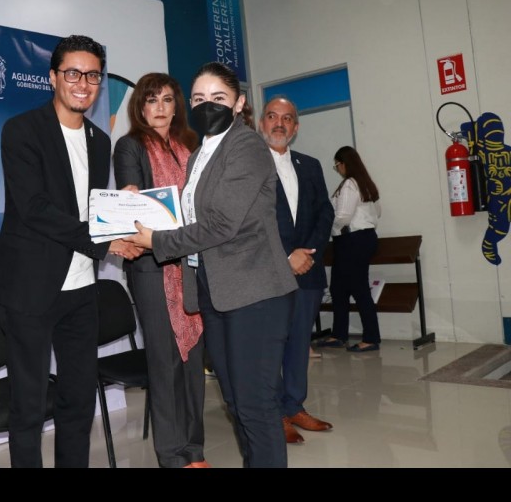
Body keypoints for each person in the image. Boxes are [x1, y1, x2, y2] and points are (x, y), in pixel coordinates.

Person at [126, 61, 297, 468]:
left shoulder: (246, 146)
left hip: (255, 293)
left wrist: (156, 241)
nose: (208, 105)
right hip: (216, 293)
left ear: (238, 103)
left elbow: (221, 224)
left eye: (218, 98)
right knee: (236, 402)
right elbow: (191, 217)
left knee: (256, 406)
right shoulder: (200, 153)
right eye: (200, 98)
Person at [0, 34, 143, 468]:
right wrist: (105, 240)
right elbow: (34, 208)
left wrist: (122, 212)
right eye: (73, 73)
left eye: (92, 75)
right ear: (53, 77)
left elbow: (89, 209)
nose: (83, 83)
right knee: (29, 404)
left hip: (81, 289)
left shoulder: (99, 139)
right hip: (29, 289)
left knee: (78, 399)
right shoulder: (22, 130)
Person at [113, 72, 208, 468]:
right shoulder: (130, 145)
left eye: (167, 100)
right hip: (152, 268)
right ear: (140, 106)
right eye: (151, 100)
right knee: (165, 363)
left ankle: (194, 449)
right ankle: (171, 455)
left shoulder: (191, 145)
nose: (160, 108)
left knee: (194, 361)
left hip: (193, 263)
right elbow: (135, 205)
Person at [259, 96, 334, 445]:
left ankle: (294, 406)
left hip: (308, 270)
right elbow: (252, 220)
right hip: (267, 270)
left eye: (287, 118)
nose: (279, 123)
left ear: (296, 127)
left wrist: (307, 254)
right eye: (272, 116)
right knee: (270, 345)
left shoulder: (311, 165)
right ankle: (274, 414)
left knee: (300, 342)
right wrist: (286, 255)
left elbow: (325, 213)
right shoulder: (250, 165)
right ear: (262, 123)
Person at [317, 145, 382, 352]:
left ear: (344, 163)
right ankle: (338, 334)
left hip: (352, 240)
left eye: (337, 165)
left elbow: (343, 217)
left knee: (358, 288)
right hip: (361, 239)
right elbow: (377, 212)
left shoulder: (349, 184)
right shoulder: (365, 183)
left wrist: (327, 228)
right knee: (338, 288)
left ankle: (371, 338)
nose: (337, 169)